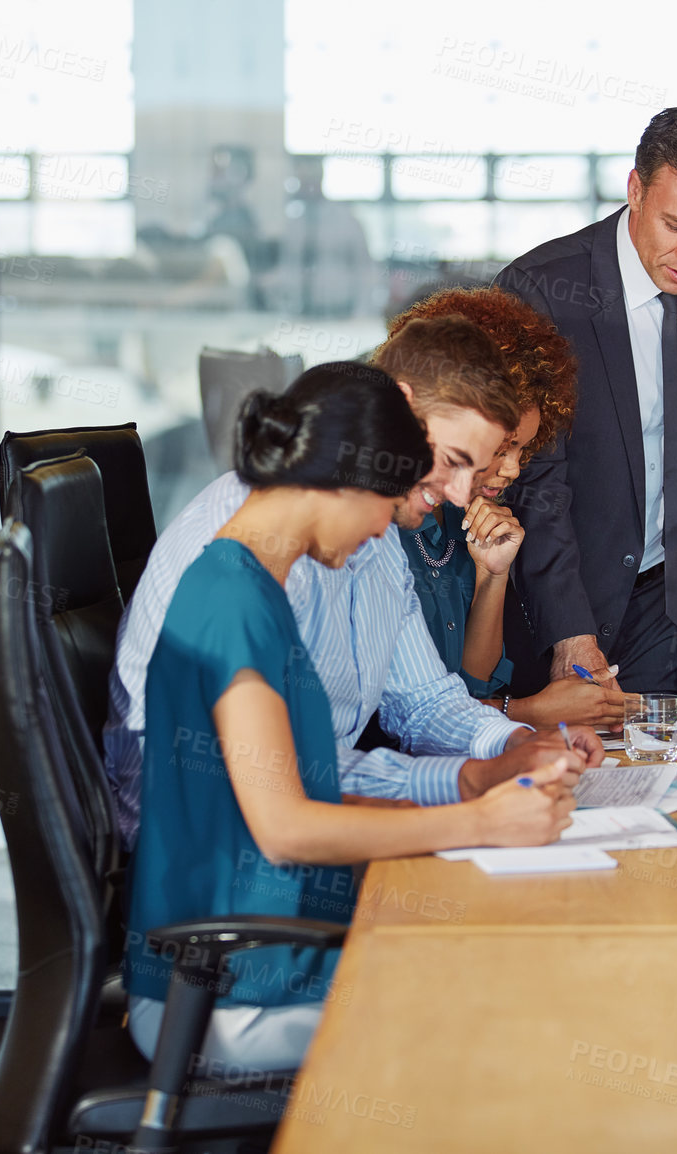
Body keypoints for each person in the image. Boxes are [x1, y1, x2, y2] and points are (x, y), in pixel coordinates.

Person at [126, 365, 579, 1069]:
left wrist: (472, 787)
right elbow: (285, 828)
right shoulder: (231, 602)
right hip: (231, 988)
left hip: (271, 946)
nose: (379, 532)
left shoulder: (253, 590)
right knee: (520, 1002)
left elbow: (309, 788)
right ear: (344, 477)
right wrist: (479, 822)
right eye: (388, 501)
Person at [103, 324, 604, 850]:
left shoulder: (330, 541)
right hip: (216, 855)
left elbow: (331, 765)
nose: (460, 497)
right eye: (452, 462)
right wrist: (475, 817)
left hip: (287, 827)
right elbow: (280, 821)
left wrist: (491, 767)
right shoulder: (242, 581)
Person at [495, 101, 677, 707]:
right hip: (561, 604)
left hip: (673, 606)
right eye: (676, 226)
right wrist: (568, 633)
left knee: (670, 782)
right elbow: (534, 483)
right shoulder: (543, 290)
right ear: (635, 189)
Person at [386, 287, 625, 730]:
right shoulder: (382, 521)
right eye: (503, 447)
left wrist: (492, 576)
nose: (513, 469)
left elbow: (473, 686)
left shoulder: (463, 513)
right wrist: (531, 713)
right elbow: (401, 720)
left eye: (525, 449)